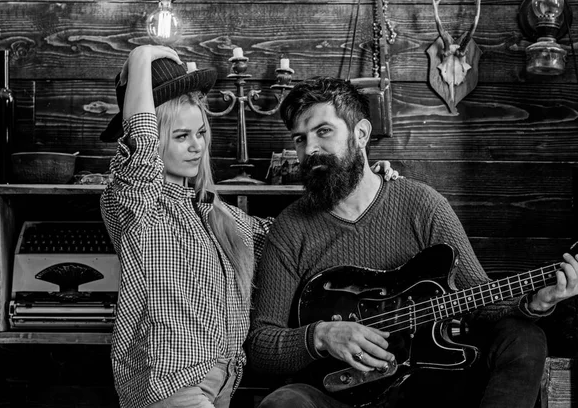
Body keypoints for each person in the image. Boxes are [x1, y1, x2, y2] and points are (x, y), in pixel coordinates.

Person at [245, 76, 578, 408]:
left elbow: (481, 303)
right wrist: (321, 336)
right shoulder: (291, 227)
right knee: (285, 401)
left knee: (523, 337)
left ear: (360, 133)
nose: (310, 149)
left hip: (430, 384)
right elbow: (261, 344)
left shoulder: (423, 205)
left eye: (323, 131)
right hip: (336, 395)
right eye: (300, 139)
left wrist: (537, 302)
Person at [99, 46, 398, 408]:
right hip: (168, 381)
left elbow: (294, 235)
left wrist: (364, 181)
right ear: (155, 138)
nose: (197, 146)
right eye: (181, 136)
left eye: (200, 132)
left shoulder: (219, 215)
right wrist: (141, 56)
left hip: (223, 384)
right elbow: (141, 145)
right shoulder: (137, 206)